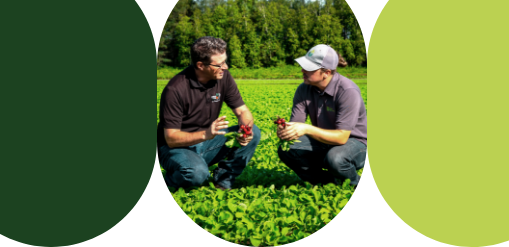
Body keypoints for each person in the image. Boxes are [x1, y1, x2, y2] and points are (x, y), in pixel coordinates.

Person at [157, 36, 261, 191]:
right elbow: (171, 139)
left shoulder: (223, 77)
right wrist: (205, 134)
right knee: (196, 174)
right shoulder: (175, 89)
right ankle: (175, 177)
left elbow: (242, 110)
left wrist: (244, 129)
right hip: (175, 148)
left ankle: (224, 180)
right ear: (200, 65)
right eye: (219, 64)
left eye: (225, 61)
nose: (225, 67)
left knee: (255, 132)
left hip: (208, 140)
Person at [276, 45, 367, 191]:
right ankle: (327, 183)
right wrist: (286, 131)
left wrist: (307, 128)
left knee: (336, 159)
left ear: (326, 72)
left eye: (309, 68)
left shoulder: (347, 91)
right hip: (323, 140)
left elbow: (342, 138)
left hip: (356, 143)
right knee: (287, 149)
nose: (302, 71)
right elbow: (297, 124)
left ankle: (354, 183)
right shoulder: (304, 89)